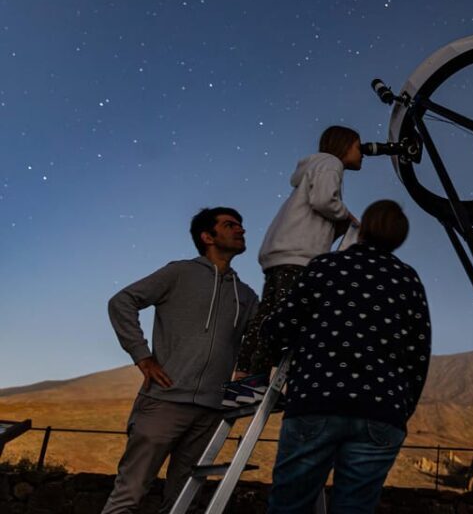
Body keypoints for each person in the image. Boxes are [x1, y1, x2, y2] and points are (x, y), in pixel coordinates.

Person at [262, 200, 431, 514]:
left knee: (289, 507)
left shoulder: (326, 266)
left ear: (363, 228)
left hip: (317, 401)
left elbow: (280, 327)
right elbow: (418, 355)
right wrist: (400, 408)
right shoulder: (408, 279)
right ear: (399, 239)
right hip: (382, 411)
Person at [101, 207, 259, 514]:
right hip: (164, 400)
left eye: (241, 225)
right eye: (230, 225)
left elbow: (260, 342)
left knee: (183, 504)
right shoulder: (180, 272)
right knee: (130, 493)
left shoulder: (247, 295)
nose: (241, 230)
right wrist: (142, 356)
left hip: (211, 412)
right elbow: (122, 302)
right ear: (207, 237)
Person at [234, 125, 363, 379]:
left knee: (267, 314)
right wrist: (348, 217)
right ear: (344, 145)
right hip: (299, 254)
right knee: (285, 319)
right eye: (359, 147)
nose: (363, 153)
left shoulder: (312, 169)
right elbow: (324, 200)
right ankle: (255, 380)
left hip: (280, 252)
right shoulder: (331, 163)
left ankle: (243, 374)